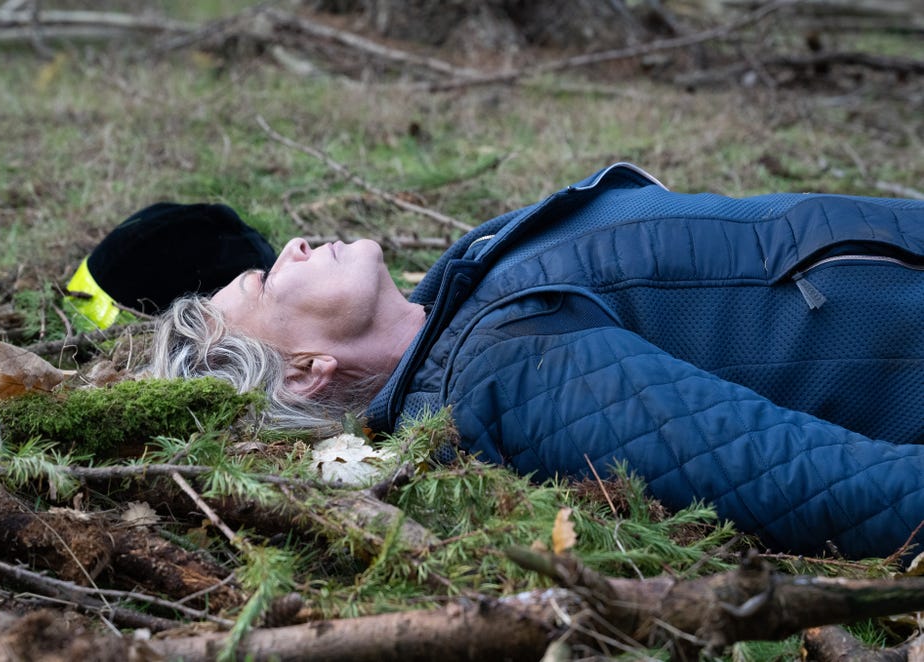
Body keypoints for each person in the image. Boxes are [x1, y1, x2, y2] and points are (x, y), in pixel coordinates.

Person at [151, 163, 924, 560]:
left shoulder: (462, 293)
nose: (289, 245)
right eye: (266, 282)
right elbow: (812, 481)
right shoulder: (503, 379)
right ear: (304, 371)